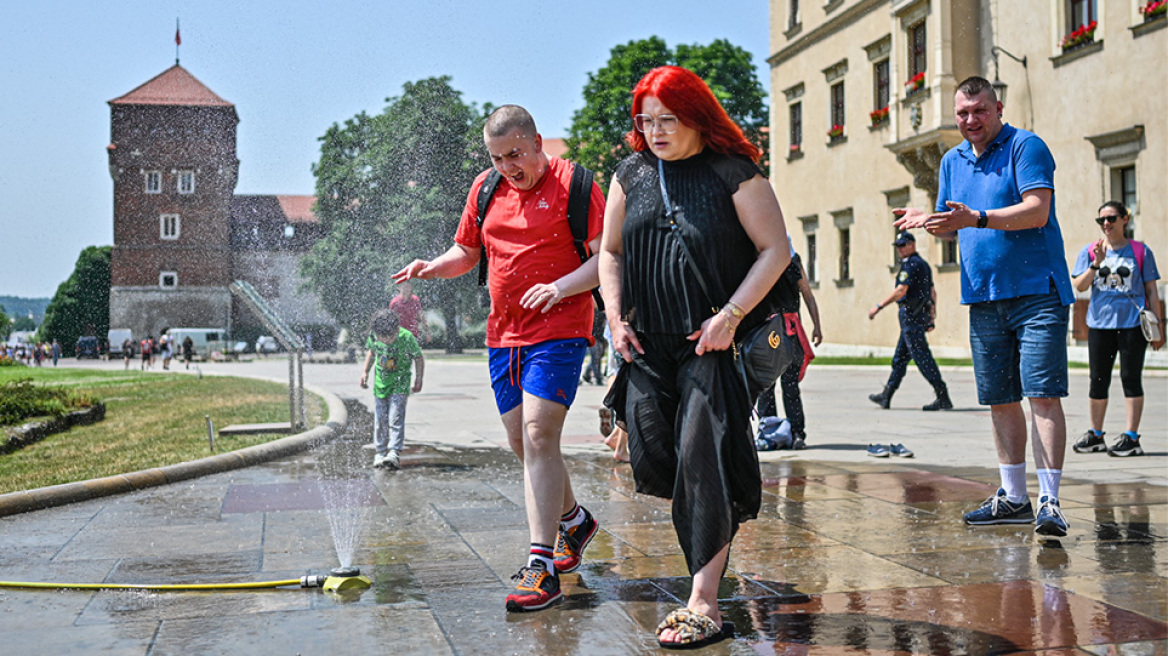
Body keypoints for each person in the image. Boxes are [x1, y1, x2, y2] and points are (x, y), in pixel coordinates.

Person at [598, 66, 789, 649]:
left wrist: (730, 315)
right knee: (658, 456)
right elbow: (609, 252)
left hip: (711, 345)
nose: (653, 131)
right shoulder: (631, 174)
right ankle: (715, 519)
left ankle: (702, 601)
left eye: (667, 120)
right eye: (644, 120)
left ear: (696, 116)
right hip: (647, 347)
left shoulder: (733, 173)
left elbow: (775, 249)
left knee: (702, 454)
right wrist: (614, 317)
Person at [392, 105, 605, 613]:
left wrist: (559, 288)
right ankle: (574, 520)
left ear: (536, 142)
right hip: (503, 333)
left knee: (537, 434)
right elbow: (466, 252)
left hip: (560, 329)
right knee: (521, 440)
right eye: (497, 157)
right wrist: (431, 267)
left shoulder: (577, 185)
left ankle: (541, 566)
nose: (508, 165)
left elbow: (604, 259)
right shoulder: (486, 188)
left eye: (514, 154)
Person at [894, 76, 1075, 538]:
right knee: (999, 399)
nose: (970, 120)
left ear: (998, 108)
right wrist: (931, 222)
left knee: (1043, 394)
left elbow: (1036, 210)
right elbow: (953, 224)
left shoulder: (1026, 147)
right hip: (984, 294)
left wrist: (974, 218)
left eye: (979, 111)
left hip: (1038, 292)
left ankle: (1050, 501)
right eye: (962, 113)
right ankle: (1014, 497)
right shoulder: (952, 160)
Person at [1071, 201, 1163, 457]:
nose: (1106, 224)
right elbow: (1079, 286)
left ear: (1125, 219)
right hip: (1100, 324)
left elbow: (1151, 290)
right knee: (1097, 380)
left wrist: (1159, 328)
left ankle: (1132, 438)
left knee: (1131, 378)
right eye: (1101, 220)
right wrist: (1096, 263)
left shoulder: (1140, 251)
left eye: (1111, 218)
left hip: (1133, 324)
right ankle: (1096, 435)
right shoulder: (1090, 251)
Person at [866, 231, 952, 414]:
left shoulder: (911, 265)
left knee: (922, 357)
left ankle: (942, 396)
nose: (900, 249)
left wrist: (879, 306)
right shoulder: (923, 265)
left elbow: (901, 290)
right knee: (900, 358)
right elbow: (932, 292)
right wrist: (931, 316)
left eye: (903, 245)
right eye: (898, 246)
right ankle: (886, 395)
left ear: (912, 244)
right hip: (917, 316)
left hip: (910, 316)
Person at [755, 251, 821, 451]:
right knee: (766, 386)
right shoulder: (759, 260)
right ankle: (770, 433)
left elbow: (808, 295)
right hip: (768, 331)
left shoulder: (793, 261)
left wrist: (817, 326)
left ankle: (797, 433)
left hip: (791, 330)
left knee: (790, 385)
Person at [359, 309, 424, 469]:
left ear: (396, 329)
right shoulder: (374, 336)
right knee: (380, 420)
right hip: (381, 385)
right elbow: (372, 352)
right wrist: (365, 372)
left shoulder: (406, 337)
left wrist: (418, 378)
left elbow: (418, 357)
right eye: (383, 338)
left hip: (400, 384)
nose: (386, 341)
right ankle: (380, 452)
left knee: (395, 418)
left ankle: (394, 452)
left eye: (390, 337)